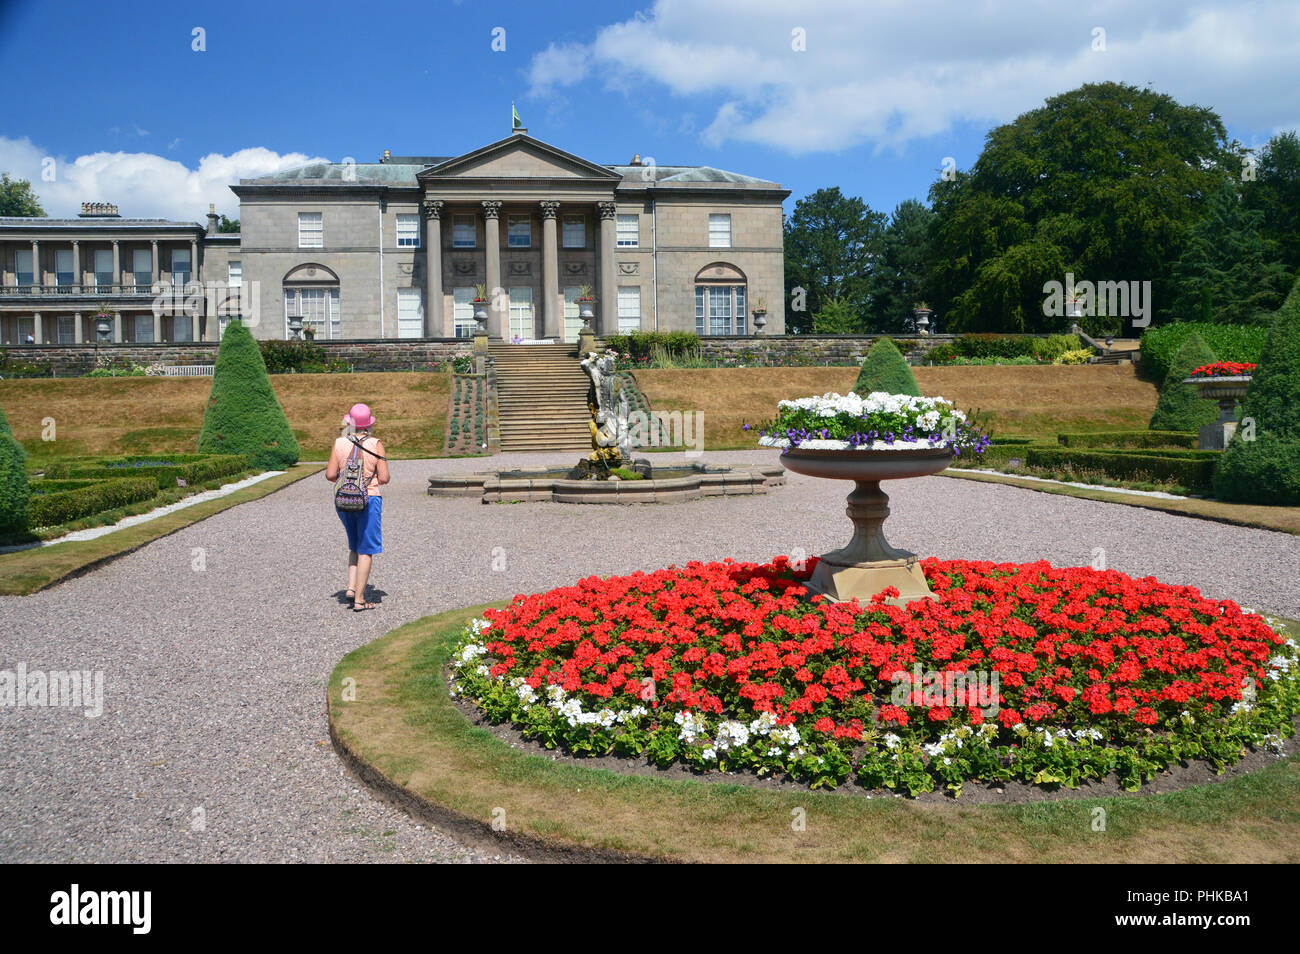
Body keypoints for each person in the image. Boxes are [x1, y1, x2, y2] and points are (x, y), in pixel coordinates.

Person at [325, 403, 389, 611]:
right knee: (366, 549)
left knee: (354, 544)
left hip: (344, 500)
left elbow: (330, 475)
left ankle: (351, 588)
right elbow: (385, 478)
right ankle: (360, 599)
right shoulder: (376, 444)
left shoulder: (339, 443)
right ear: (368, 425)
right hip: (369, 499)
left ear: (351, 424)